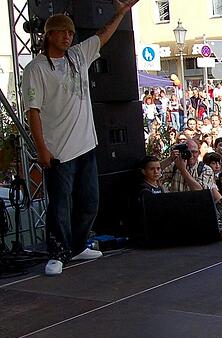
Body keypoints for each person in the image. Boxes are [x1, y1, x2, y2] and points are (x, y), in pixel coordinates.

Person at [22, 2, 140, 275]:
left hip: (86, 145)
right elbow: (33, 112)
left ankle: (75, 246)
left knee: (89, 201)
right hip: (58, 150)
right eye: (62, 32)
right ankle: (57, 253)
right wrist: (41, 149)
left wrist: (120, 13)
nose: (68, 36)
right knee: (60, 204)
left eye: (71, 33)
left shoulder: (78, 56)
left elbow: (102, 35)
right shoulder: (36, 69)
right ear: (48, 35)